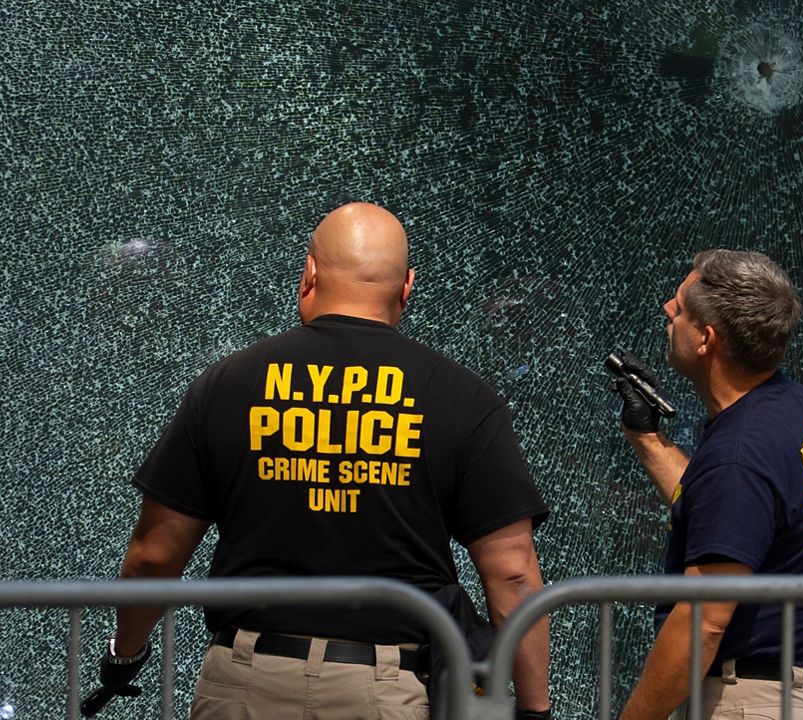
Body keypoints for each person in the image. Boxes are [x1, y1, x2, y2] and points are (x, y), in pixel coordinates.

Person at [83, 202, 552, 719]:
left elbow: (155, 555)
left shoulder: (228, 385)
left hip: (245, 682)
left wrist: (126, 652)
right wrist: (533, 710)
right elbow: (512, 575)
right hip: (386, 693)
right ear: (406, 286)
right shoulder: (463, 398)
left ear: (308, 274)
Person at [612, 250, 803, 720]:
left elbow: (702, 624)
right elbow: (732, 518)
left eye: (680, 307)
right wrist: (646, 437)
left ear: (706, 339)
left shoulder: (739, 456)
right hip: (802, 694)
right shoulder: (796, 405)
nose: (667, 309)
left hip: (756, 702)